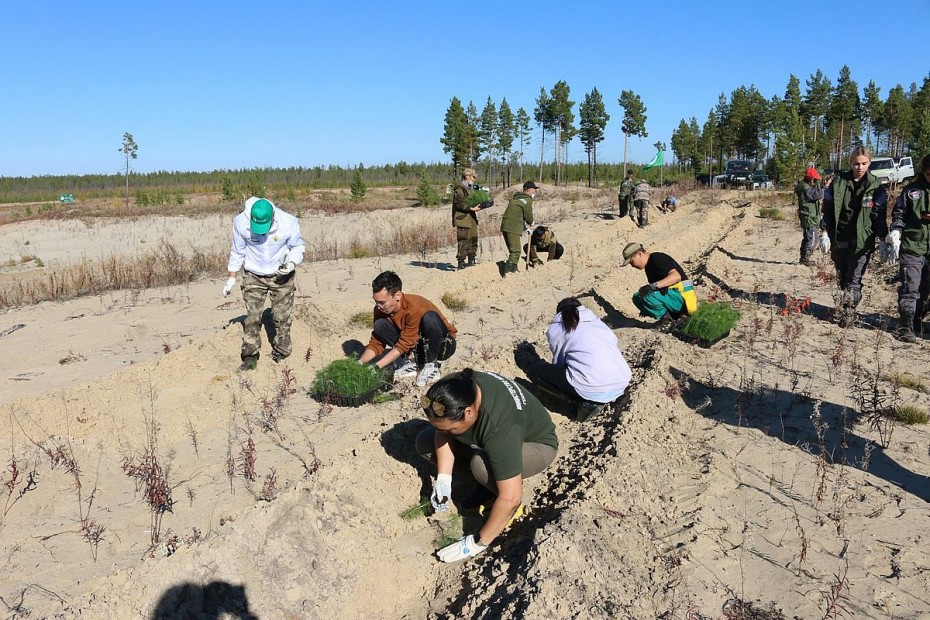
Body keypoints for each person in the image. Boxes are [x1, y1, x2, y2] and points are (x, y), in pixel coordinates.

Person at [415, 369, 558, 562]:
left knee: (481, 467)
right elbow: (442, 432)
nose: (446, 432)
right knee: (426, 443)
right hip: (494, 439)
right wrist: (444, 478)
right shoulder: (451, 391)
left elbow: (511, 498)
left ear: (469, 412)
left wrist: (475, 544)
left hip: (535, 445)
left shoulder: (500, 427)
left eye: (452, 428)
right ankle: (489, 484)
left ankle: (500, 503)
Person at [224, 196, 305, 368]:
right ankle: (250, 355)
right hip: (254, 274)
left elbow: (297, 247)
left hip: (281, 275)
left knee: (282, 316)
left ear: (273, 217)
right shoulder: (240, 222)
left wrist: (291, 263)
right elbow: (237, 251)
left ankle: (282, 351)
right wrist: (231, 277)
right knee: (253, 317)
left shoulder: (288, 223)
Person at [527, 297, 632, 422]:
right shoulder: (598, 324)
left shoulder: (556, 329)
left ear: (559, 313)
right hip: (621, 381)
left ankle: (583, 404)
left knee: (534, 371)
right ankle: (598, 396)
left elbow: (559, 363)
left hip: (592, 387)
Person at [820, 146, 889, 327]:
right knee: (842, 277)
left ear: (869, 163)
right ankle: (845, 301)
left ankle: (848, 312)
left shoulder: (876, 187)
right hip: (839, 237)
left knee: (854, 278)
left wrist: (883, 240)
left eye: (864, 164)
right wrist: (824, 233)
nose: (860, 167)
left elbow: (878, 216)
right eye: (856, 164)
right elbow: (827, 209)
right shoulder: (838, 183)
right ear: (850, 163)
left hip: (862, 241)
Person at [357, 271, 457, 387]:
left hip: (443, 346)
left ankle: (431, 365)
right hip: (417, 343)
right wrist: (359, 362)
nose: (378, 306)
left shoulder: (414, 307)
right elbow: (377, 342)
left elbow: (404, 344)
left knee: (430, 317)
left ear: (397, 296)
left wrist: (376, 366)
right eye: (376, 302)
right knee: (380, 325)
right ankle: (414, 362)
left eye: (382, 302)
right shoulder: (380, 310)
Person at [887, 154, 930, 343]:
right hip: (913, 245)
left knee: (926, 289)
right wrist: (896, 232)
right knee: (910, 286)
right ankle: (906, 325)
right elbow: (899, 214)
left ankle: (919, 321)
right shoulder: (912, 191)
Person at [621, 242, 687, 323]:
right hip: (673, 297)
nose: (632, 265)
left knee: (647, 296)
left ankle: (667, 322)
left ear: (639, 254)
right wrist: (646, 308)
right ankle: (671, 317)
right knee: (637, 297)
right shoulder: (649, 266)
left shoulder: (657, 258)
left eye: (631, 261)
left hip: (683, 296)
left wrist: (653, 286)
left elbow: (676, 277)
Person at [500, 181, 537, 275]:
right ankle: (508, 273)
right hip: (513, 227)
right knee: (516, 251)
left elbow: (516, 215)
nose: (535, 192)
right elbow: (528, 214)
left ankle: (514, 269)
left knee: (513, 250)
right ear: (528, 190)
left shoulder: (516, 199)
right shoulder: (527, 200)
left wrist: (525, 228)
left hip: (505, 226)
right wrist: (531, 222)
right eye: (534, 190)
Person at [796, 167, 828, 266]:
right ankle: (805, 258)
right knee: (812, 238)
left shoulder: (803, 186)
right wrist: (825, 187)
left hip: (808, 216)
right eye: (815, 179)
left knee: (808, 238)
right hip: (809, 217)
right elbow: (816, 195)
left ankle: (803, 257)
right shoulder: (805, 188)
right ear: (811, 179)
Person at [452, 168, 481, 270]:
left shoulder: (470, 188)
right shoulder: (460, 188)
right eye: (473, 177)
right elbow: (459, 203)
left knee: (473, 238)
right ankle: (461, 262)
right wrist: (471, 208)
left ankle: (471, 259)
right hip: (463, 218)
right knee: (464, 240)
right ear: (467, 176)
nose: (474, 179)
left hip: (471, 217)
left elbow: (472, 200)